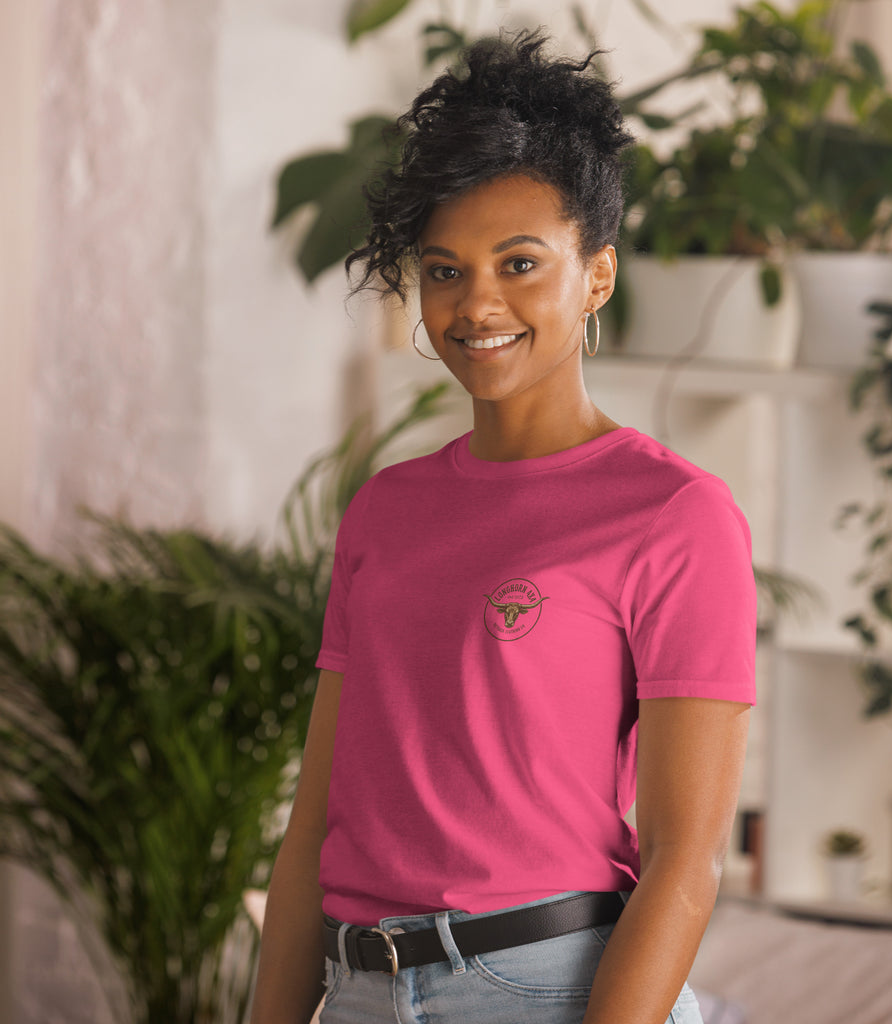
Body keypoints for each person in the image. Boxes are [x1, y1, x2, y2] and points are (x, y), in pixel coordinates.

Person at [250, 30, 755, 1024]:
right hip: (358, 991)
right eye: (444, 270)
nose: (476, 302)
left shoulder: (672, 514)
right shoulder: (385, 509)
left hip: (549, 988)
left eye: (519, 263)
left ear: (596, 275)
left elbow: (684, 860)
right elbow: (317, 821)